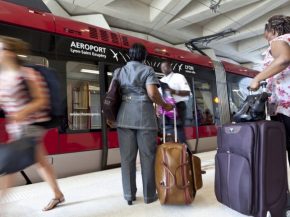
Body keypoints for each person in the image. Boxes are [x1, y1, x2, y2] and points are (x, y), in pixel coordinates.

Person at [0, 36, 64, 211]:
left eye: (1, 49)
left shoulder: (27, 74)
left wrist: (22, 112)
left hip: (31, 126)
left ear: (11, 53)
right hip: (16, 129)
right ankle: (58, 194)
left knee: (8, 165)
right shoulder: (3, 78)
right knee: (40, 162)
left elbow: (41, 100)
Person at [108, 43, 173, 205]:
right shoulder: (147, 70)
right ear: (144, 56)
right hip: (144, 117)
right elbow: (152, 93)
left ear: (130, 55)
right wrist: (164, 105)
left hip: (123, 117)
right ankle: (149, 196)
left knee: (127, 159)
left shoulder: (119, 71)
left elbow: (111, 94)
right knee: (148, 157)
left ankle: (129, 195)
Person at [249, 15, 290, 165]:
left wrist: (257, 78)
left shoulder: (279, 40)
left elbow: (284, 59)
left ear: (272, 30)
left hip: (285, 107)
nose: (264, 35)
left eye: (264, 31)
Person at [159, 61, 191, 144]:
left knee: (178, 128)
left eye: (165, 67)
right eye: (162, 68)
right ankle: (172, 152)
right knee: (166, 129)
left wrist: (174, 91)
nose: (163, 69)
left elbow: (187, 92)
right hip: (165, 107)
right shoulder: (161, 80)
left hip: (178, 106)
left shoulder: (179, 77)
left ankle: (185, 151)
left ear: (170, 66)